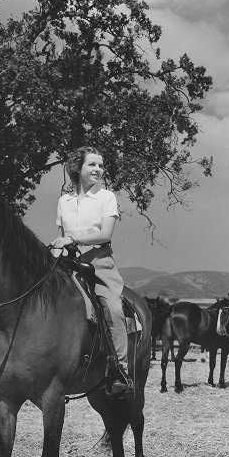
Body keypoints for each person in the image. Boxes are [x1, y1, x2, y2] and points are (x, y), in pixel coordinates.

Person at [51, 145, 134, 398]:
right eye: (92, 164)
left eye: (100, 165)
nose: (98, 169)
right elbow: (60, 235)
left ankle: (120, 370)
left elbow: (105, 234)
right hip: (68, 263)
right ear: (78, 168)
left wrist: (72, 238)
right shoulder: (63, 201)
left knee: (114, 309)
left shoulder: (106, 197)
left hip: (99, 263)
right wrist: (57, 248)